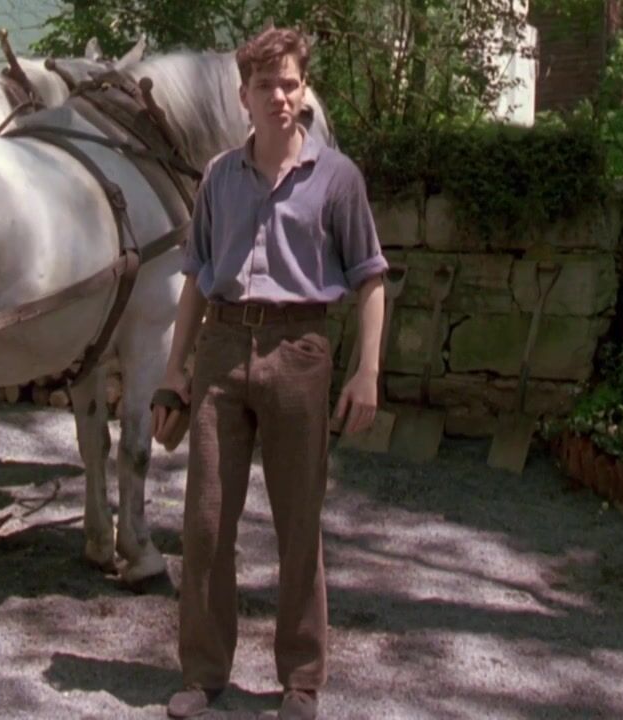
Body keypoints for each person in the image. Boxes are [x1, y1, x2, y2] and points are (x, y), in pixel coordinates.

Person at [152, 26, 389, 720]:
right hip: (223, 350)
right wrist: (175, 371)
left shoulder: (338, 179)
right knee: (205, 524)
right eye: (266, 86)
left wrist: (367, 371)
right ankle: (202, 674)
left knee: (298, 523)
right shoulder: (219, 177)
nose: (280, 97)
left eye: (290, 84)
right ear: (244, 96)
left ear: (303, 90)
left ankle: (302, 681)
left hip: (299, 351)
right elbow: (195, 278)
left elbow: (371, 278)